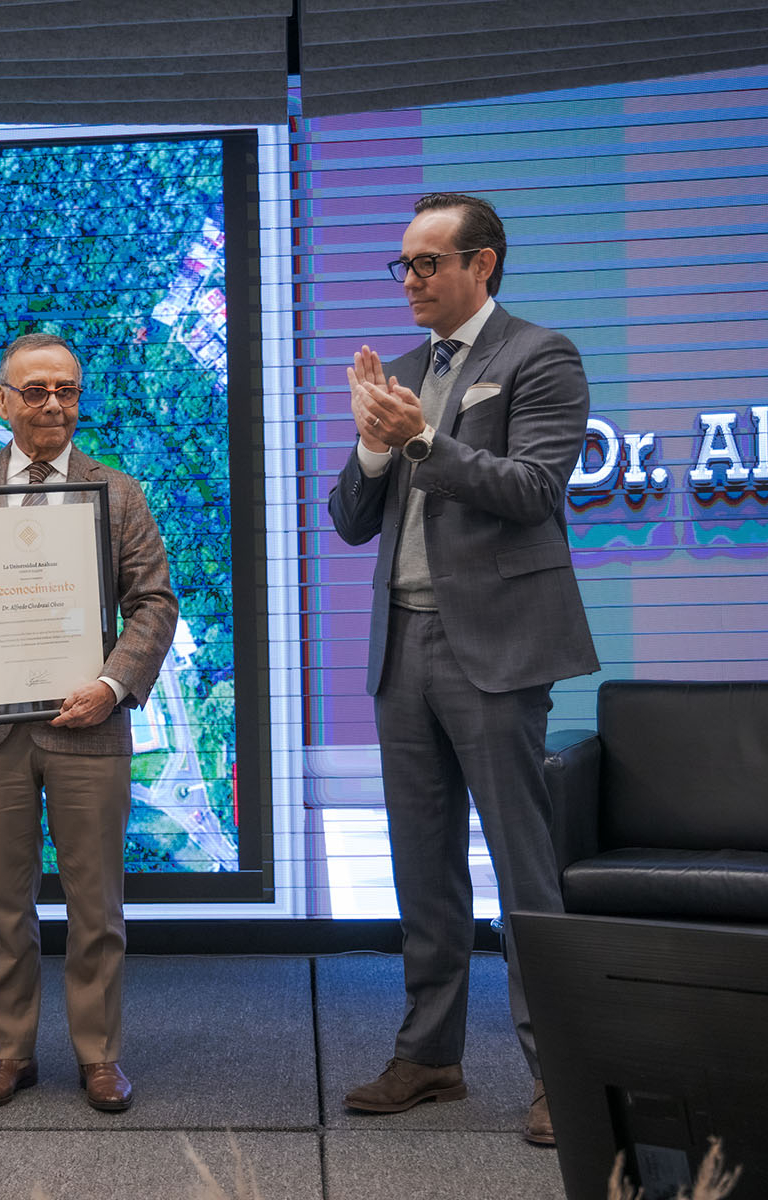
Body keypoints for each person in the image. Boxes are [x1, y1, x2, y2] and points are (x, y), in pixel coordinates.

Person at [326, 193, 598, 1146]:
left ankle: (562, 1071)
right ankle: (432, 1056)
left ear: (482, 266)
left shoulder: (539, 356)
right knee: (421, 868)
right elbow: (353, 520)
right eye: (401, 265)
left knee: (525, 867)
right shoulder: (399, 374)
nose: (410, 280)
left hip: (497, 648)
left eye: (428, 263)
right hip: (403, 645)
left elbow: (532, 490)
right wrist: (371, 443)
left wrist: (421, 441)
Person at [0, 332, 177, 1113]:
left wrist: (112, 685)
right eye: (35, 390)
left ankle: (98, 1056)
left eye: (66, 389)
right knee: (4, 905)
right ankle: (10, 1054)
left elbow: (153, 603)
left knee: (97, 903)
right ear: (3, 399)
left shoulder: (116, 493)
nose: (52, 403)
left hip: (89, 725)